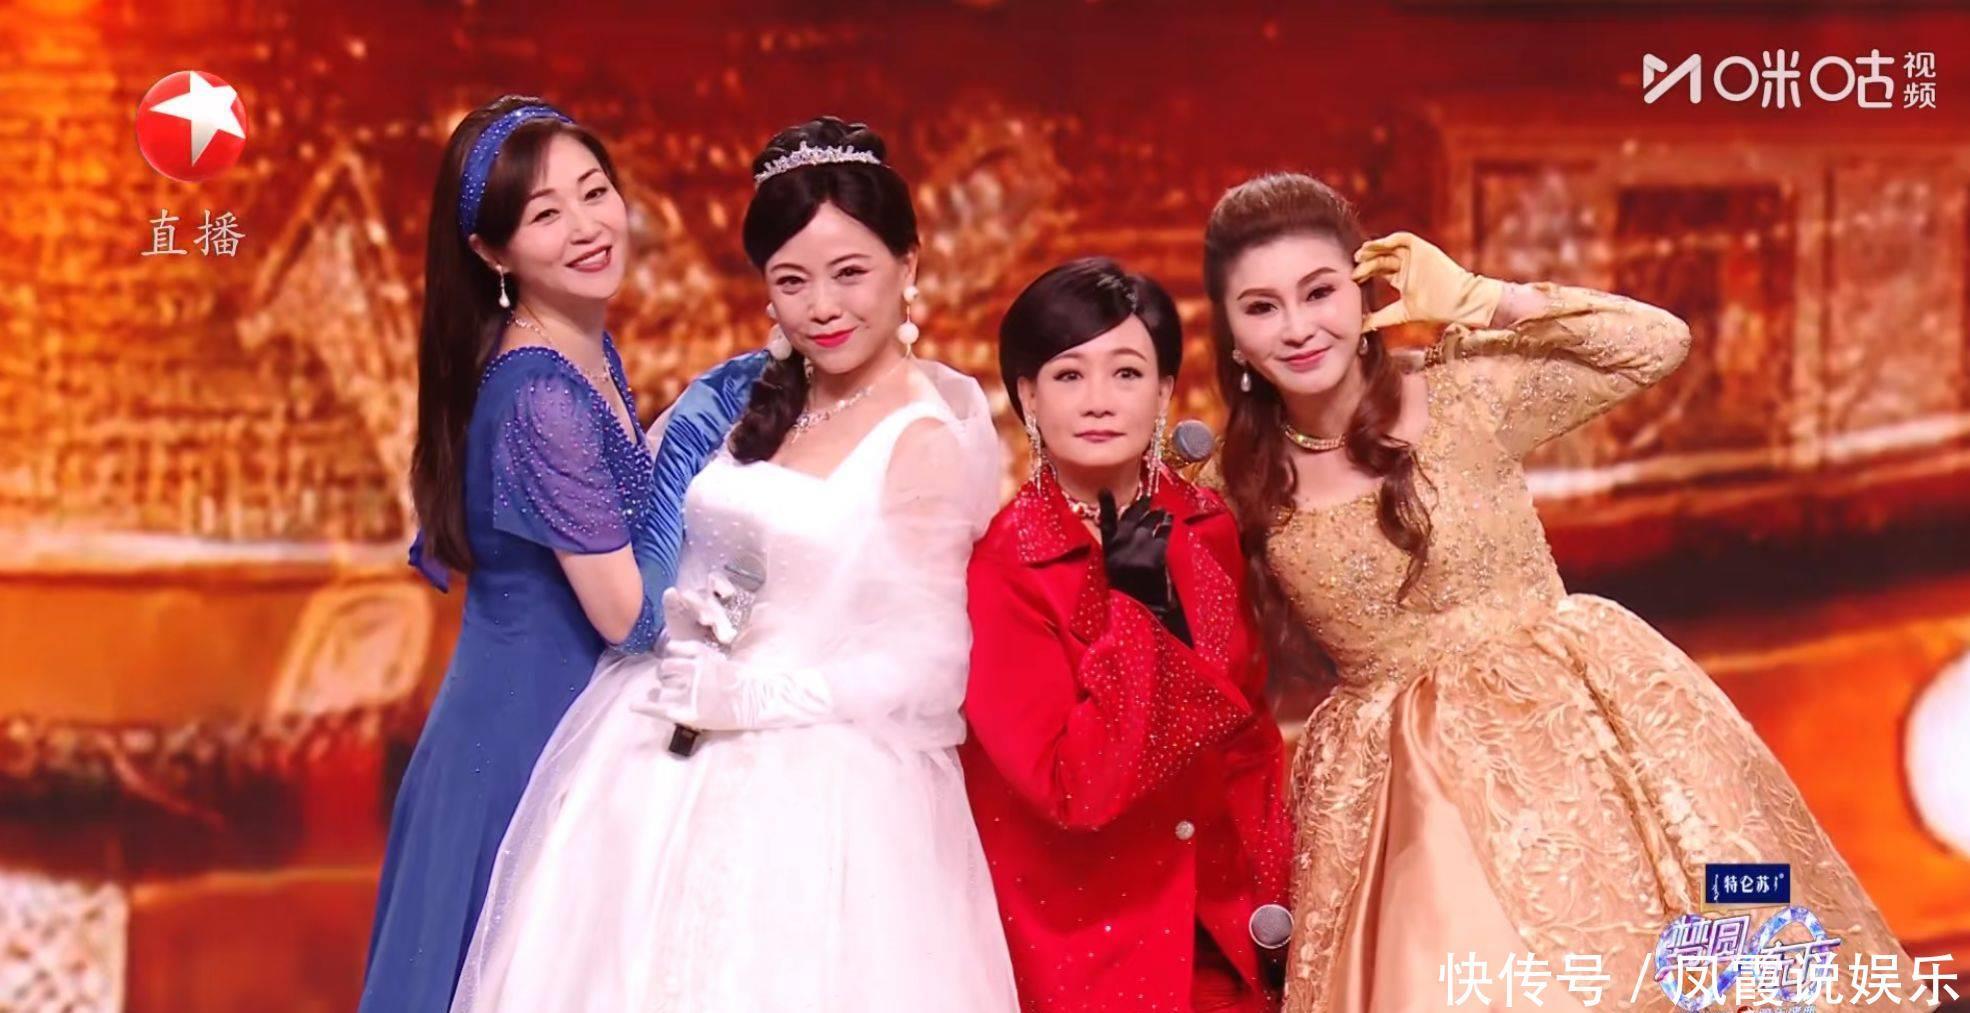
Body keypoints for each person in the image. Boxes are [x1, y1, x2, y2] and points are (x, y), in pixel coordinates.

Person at [1198, 172, 1921, 1012]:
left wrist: (1480, 298)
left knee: (1699, 961)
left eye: (1319, 291)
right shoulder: (1229, 484)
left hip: (1583, 733)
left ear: (1364, 293)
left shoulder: (1466, 392)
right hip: (1400, 803)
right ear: (1232, 335)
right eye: (1262, 307)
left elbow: (1656, 343)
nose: (1298, 327)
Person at [449, 117, 1019, 1013]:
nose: (822, 307)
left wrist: (751, 697)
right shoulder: (752, 398)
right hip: (655, 752)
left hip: (821, 787)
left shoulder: (924, 436)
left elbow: (930, 663)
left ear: (908, 264)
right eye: (792, 281)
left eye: (850, 273)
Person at [962, 258, 1292, 1012]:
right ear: (1027, 395)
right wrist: (1138, 613)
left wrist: (1275, 887)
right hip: (1090, 943)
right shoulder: (1002, 566)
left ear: (1165, 391)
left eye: (1127, 372)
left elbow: (1248, 736)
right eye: (1069, 375)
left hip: (1229, 927)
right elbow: (1074, 789)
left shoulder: (1205, 525)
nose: (1100, 400)